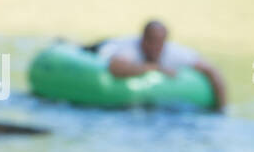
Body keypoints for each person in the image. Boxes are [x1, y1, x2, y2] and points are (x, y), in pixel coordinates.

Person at [96, 19, 227, 111]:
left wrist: (221, 109)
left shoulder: (174, 52)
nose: (154, 47)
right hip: (105, 46)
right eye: (150, 42)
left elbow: (211, 70)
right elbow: (115, 68)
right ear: (143, 39)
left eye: (158, 43)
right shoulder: (129, 48)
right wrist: (156, 68)